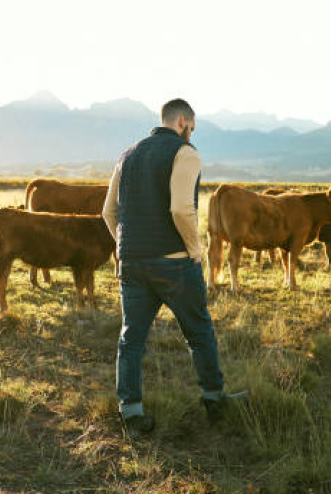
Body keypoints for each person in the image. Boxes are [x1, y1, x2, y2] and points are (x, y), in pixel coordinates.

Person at [102, 98, 246, 438]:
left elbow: (108, 212)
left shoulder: (127, 155)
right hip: (174, 263)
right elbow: (181, 209)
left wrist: (127, 246)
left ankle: (131, 413)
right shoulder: (185, 153)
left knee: (131, 339)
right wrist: (195, 250)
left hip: (132, 263)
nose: (191, 133)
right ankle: (214, 400)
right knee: (199, 333)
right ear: (183, 122)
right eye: (191, 128)